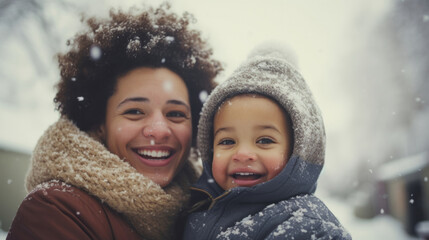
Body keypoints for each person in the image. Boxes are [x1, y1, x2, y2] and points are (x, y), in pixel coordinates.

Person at [6, 3, 222, 240]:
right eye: (135, 111)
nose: (159, 130)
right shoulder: (56, 209)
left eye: (176, 114)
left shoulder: (209, 208)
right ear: (100, 122)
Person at [183, 44, 352, 239]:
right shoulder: (198, 208)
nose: (242, 154)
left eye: (264, 140)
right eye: (228, 141)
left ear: (296, 152)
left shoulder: (303, 225)